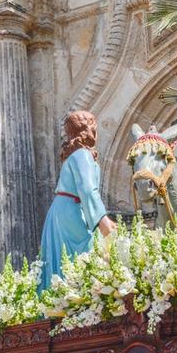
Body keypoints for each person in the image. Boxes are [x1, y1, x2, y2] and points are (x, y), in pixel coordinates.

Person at [39, 111, 116, 292]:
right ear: (87, 128)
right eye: (93, 124)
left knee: (65, 260)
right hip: (72, 212)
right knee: (87, 255)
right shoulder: (82, 155)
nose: (96, 128)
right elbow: (87, 189)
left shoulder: (74, 155)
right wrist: (102, 221)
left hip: (63, 211)